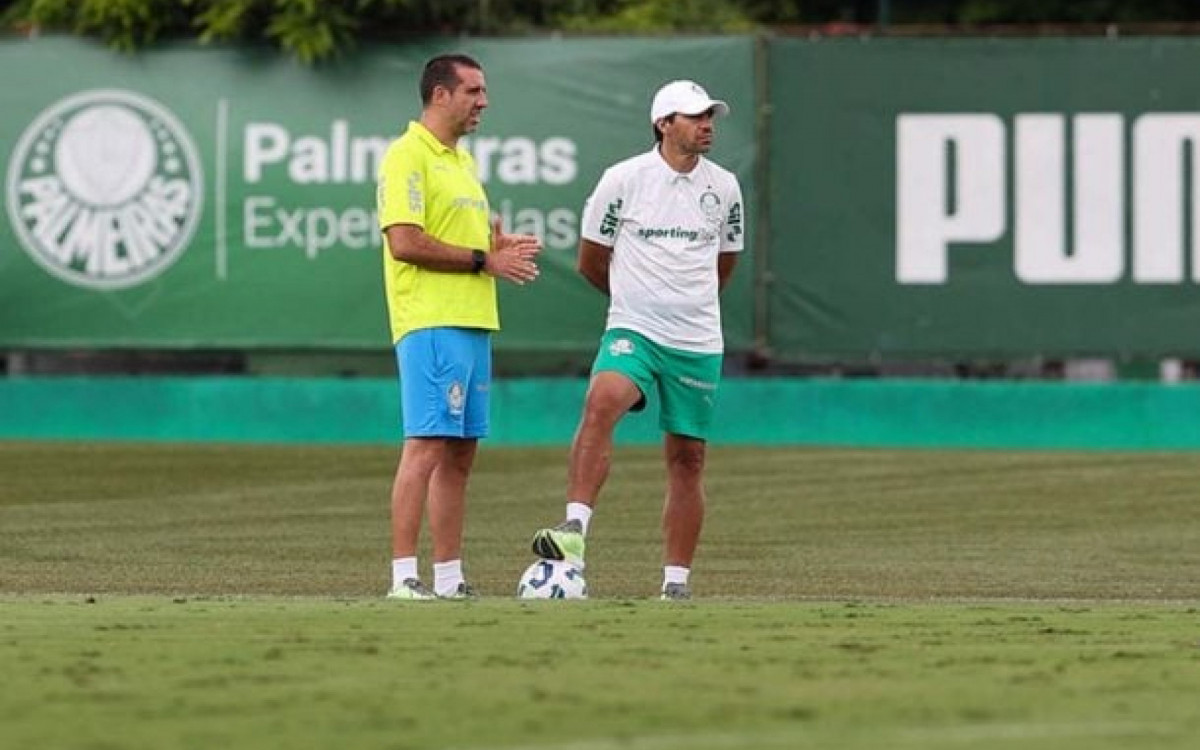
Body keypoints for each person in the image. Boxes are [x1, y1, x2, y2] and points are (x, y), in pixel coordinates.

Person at [530, 80, 745, 600]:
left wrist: (687, 306)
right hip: (634, 328)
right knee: (602, 399)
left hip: (696, 340)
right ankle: (575, 529)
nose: (707, 124)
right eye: (694, 116)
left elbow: (725, 262)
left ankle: (676, 584)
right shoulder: (623, 180)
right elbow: (590, 259)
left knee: (688, 457)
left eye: (710, 115)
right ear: (664, 123)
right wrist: (635, 299)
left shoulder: (727, 186)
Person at [377, 53, 541, 600]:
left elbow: (463, 244)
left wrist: (494, 248)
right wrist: (483, 261)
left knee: (461, 453)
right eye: (473, 91)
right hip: (430, 320)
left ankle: (449, 578)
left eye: (484, 91)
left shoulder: (463, 162)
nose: (484, 102)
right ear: (440, 95)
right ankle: (404, 577)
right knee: (424, 445)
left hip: (473, 321)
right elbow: (405, 242)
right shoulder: (406, 156)